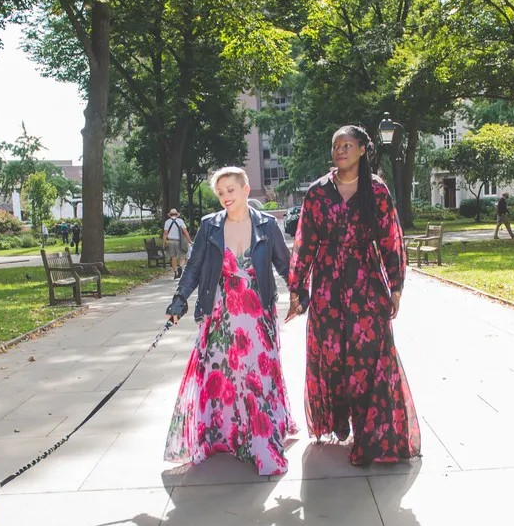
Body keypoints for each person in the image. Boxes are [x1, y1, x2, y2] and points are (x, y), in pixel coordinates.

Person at [286, 125, 421, 467]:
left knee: (368, 355)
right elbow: (304, 243)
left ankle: (370, 432)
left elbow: (391, 239)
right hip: (328, 285)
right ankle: (339, 418)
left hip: (366, 283)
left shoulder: (376, 190)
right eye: (336, 146)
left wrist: (396, 286)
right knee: (331, 355)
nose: (340, 151)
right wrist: (297, 288)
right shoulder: (317, 193)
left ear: (362, 149)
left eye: (347, 145)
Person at [165, 167, 297, 476]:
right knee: (222, 374)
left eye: (230, 190)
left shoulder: (267, 225)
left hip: (257, 312)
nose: (225, 196)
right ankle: (226, 434)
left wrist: (298, 293)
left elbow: (283, 263)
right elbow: (194, 267)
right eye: (220, 192)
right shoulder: (209, 226)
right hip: (220, 314)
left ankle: (261, 440)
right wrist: (180, 299)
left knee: (257, 376)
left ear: (245, 189)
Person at [163, 208, 192, 279]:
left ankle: (175, 272)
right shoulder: (180, 221)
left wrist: (163, 243)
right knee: (183, 256)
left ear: (170, 215)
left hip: (170, 241)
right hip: (180, 241)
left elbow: (165, 233)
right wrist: (189, 241)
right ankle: (181, 267)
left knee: (173, 257)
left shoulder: (167, 222)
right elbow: (185, 232)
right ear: (177, 215)